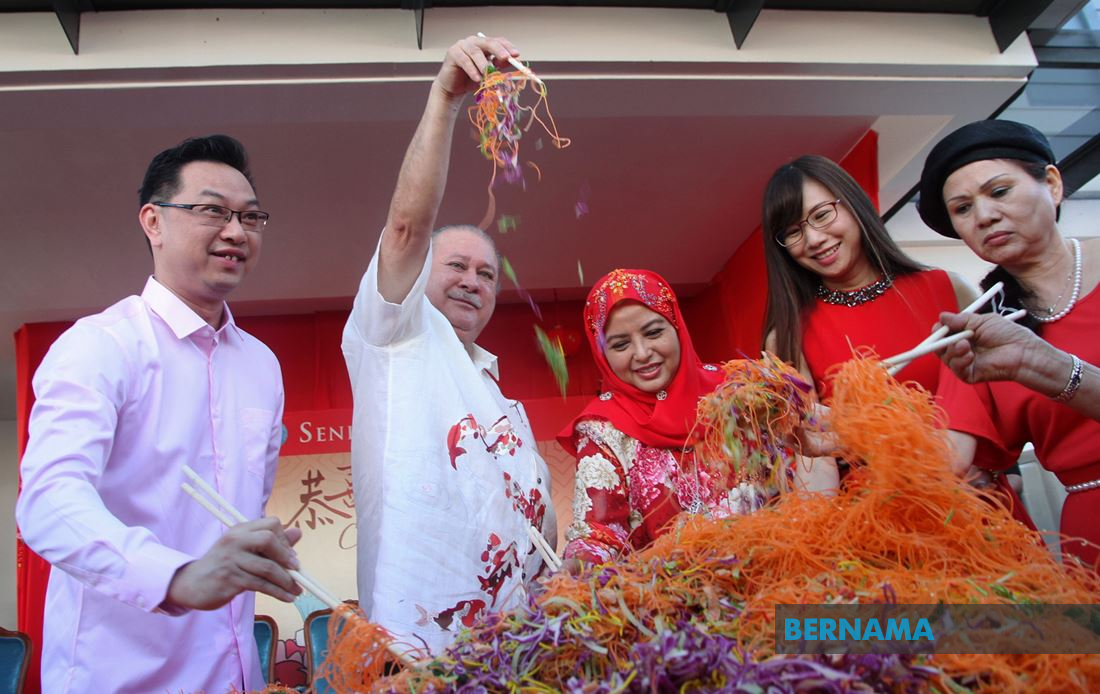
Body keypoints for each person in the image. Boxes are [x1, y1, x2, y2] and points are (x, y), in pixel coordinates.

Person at [15, 135, 302, 693]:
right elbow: (48, 501)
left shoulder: (262, 365)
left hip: (234, 673)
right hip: (122, 676)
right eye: (212, 211)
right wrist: (177, 576)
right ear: (154, 222)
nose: (236, 232)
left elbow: (247, 506)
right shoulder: (101, 345)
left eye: (250, 217)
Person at [342, 35, 555, 655]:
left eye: (487, 274)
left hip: (516, 652)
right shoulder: (395, 333)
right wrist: (445, 99)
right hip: (419, 654)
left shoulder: (500, 398)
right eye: (456, 265)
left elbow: (538, 525)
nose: (472, 281)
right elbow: (406, 228)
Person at [559, 269, 837, 564]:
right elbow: (600, 533)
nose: (641, 353)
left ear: (677, 327)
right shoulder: (602, 430)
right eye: (620, 344)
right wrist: (580, 566)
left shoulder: (740, 391)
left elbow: (805, 461)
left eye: (653, 333)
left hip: (776, 569)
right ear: (602, 354)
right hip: (670, 588)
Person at [917, 118, 1100, 565]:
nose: (984, 216)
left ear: (1052, 184)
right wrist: (847, 435)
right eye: (963, 209)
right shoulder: (982, 331)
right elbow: (950, 461)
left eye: (999, 192)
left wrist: (1049, 366)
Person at [761, 155, 978, 401]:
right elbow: (805, 424)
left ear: (853, 205)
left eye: (821, 215)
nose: (813, 239)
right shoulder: (787, 336)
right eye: (792, 232)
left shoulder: (950, 288)